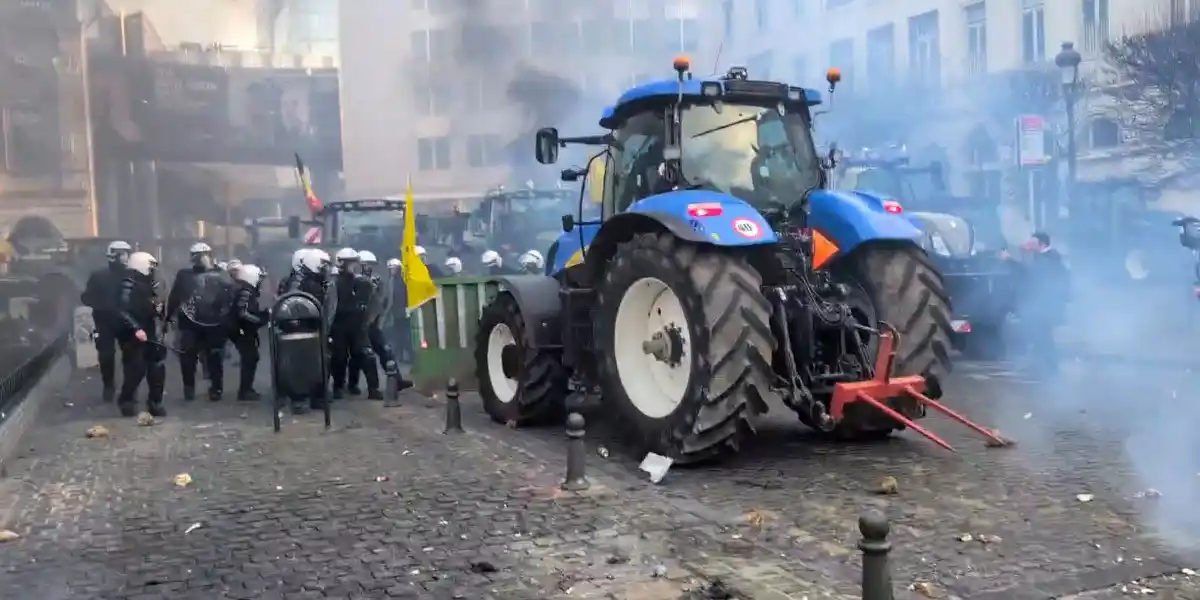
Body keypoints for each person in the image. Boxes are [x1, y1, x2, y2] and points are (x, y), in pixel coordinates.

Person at [165, 242, 227, 401]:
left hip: (213, 322)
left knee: (214, 356)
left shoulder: (220, 274)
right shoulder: (184, 275)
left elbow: (228, 296)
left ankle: (216, 388)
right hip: (190, 322)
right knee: (188, 357)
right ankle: (189, 387)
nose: (202, 259)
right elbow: (175, 297)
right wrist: (168, 317)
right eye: (199, 256)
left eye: (205, 255)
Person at [279, 248, 334, 413]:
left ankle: (317, 397)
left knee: (320, 362)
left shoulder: (314, 282)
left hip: (313, 327)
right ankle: (300, 399)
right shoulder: (301, 283)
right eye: (323, 265)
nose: (325, 269)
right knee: (302, 364)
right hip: (302, 328)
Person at [348, 251, 409, 397]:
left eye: (372, 265)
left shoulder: (376, 282)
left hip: (372, 324)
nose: (370, 268)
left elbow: (380, 302)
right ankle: (361, 386)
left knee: (386, 351)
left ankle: (397, 380)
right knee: (361, 356)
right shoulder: (352, 282)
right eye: (368, 265)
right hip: (357, 326)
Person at [114, 251, 167, 418]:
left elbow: (150, 306)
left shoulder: (148, 284)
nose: (152, 271)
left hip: (149, 330)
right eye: (150, 268)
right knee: (136, 369)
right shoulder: (127, 284)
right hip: (132, 334)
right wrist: (136, 328)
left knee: (157, 367)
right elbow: (121, 310)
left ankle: (155, 403)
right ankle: (126, 401)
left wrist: (158, 310)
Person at [1011, 231, 1070, 376]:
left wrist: (1012, 261)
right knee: (1039, 335)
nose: (1030, 245)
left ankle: (1051, 368)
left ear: (1042, 244)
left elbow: (1034, 275)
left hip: (1046, 306)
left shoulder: (1050, 259)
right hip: (1040, 305)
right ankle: (1041, 366)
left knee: (1044, 337)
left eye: (1033, 242)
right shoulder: (1044, 258)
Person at [80, 240, 132, 402]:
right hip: (105, 321)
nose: (124, 257)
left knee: (129, 356)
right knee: (106, 355)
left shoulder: (133, 275)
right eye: (121, 254)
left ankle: (127, 388)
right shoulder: (99, 276)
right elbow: (87, 297)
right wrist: (101, 305)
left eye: (126, 253)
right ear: (112, 255)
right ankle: (109, 386)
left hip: (126, 321)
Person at [329, 248, 381, 399]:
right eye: (350, 262)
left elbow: (372, 302)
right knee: (339, 358)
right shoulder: (335, 284)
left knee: (365, 355)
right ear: (342, 263)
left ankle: (370, 388)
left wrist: (368, 320)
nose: (354, 265)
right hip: (339, 326)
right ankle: (338, 386)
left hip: (358, 326)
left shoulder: (361, 282)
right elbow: (331, 307)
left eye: (355, 262)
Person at [230, 264, 268, 400]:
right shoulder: (246, 292)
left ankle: (246, 389)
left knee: (251, 357)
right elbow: (242, 313)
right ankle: (245, 391)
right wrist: (260, 320)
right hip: (240, 329)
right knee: (250, 357)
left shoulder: (245, 290)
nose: (260, 282)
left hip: (241, 328)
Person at [386, 257, 414, 364]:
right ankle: (401, 356)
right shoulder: (395, 280)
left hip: (402, 312)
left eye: (393, 268)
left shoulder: (400, 281)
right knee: (400, 335)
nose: (391, 270)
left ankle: (410, 356)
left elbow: (395, 299)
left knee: (403, 336)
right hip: (399, 312)